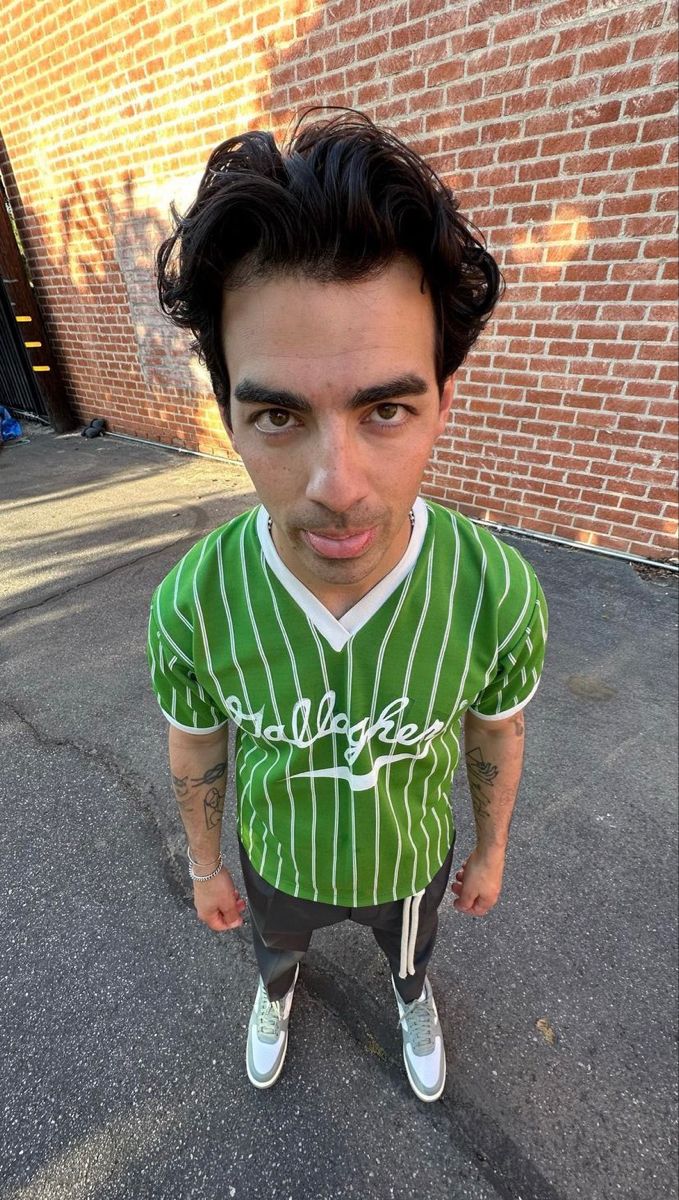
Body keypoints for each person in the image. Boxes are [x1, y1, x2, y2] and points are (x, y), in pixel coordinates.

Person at [148, 108, 548, 1103]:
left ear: (443, 399)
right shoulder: (195, 604)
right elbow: (198, 744)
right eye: (278, 413)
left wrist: (491, 849)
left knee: (411, 955)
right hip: (277, 854)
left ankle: (412, 996)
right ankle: (277, 993)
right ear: (230, 409)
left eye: (385, 408)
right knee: (275, 951)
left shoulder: (493, 589)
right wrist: (207, 868)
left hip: (413, 860)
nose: (338, 482)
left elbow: (496, 727)